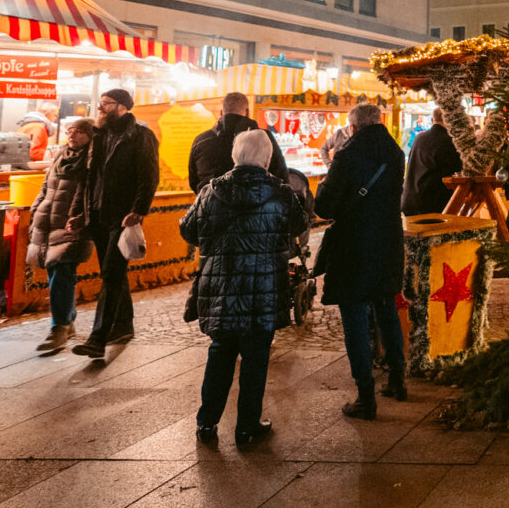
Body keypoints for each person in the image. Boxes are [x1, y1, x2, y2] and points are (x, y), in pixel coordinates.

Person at [181, 129, 307, 448]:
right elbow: (299, 225)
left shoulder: (211, 191)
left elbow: (188, 229)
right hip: (264, 287)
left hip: (221, 286)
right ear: (266, 158)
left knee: (220, 352)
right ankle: (247, 426)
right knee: (256, 357)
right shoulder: (280, 192)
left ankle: (207, 423)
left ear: (235, 157)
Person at [314, 102, 406, 418]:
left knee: (354, 317)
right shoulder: (395, 153)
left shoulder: (348, 155)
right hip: (387, 243)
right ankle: (398, 379)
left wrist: (324, 184)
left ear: (353, 127)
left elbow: (324, 206)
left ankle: (366, 396)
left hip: (353, 247)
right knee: (386, 308)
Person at [75, 88, 159, 358]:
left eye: (106, 104)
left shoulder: (141, 136)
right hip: (99, 215)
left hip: (122, 216)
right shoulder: (99, 135)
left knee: (111, 274)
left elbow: (149, 176)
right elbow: (91, 178)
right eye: (100, 104)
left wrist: (138, 210)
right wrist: (82, 211)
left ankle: (97, 339)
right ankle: (123, 326)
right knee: (113, 273)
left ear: (123, 106)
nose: (100, 109)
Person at [28, 118, 95, 353]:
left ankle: (59, 327)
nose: (72, 135)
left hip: (70, 225)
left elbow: (90, 193)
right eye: (70, 131)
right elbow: (46, 186)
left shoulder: (92, 160)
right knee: (54, 271)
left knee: (62, 272)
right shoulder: (60, 156)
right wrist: (36, 209)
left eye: (79, 132)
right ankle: (68, 321)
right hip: (47, 223)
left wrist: (80, 218)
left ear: (90, 135)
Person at [189, 92, 290, 193]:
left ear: (221, 113)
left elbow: (194, 182)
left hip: (211, 205)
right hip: (257, 205)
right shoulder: (264, 138)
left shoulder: (201, 141)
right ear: (247, 112)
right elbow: (282, 177)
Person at [401, 106, 462, 215]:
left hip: (410, 199)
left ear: (432, 120)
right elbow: (458, 169)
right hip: (432, 204)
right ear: (449, 121)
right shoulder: (450, 142)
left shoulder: (419, 138)